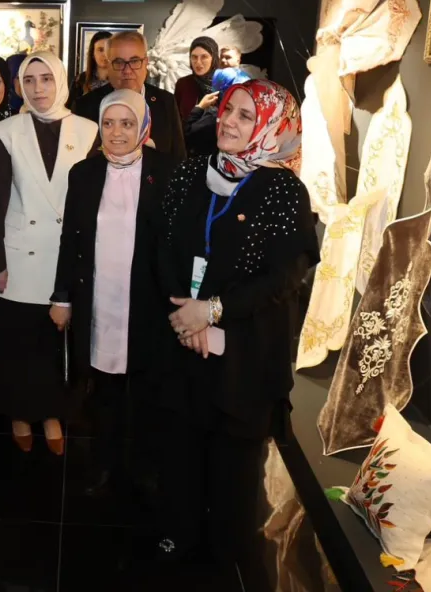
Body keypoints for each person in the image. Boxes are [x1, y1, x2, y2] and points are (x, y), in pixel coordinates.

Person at [156, 79, 316, 590]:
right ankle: (178, 538)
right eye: (228, 110)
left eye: (246, 116)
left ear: (271, 127)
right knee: (180, 454)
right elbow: (163, 247)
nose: (228, 121)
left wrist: (213, 311)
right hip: (183, 340)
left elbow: (284, 278)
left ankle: (226, 559)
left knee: (233, 472)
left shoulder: (285, 192)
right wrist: (187, 315)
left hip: (244, 356)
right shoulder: (189, 173)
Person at [50, 89, 176, 498]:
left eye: (126, 123)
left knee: (146, 388)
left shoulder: (168, 172)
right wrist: (62, 297)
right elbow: (70, 239)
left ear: (143, 126)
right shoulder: (83, 174)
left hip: (148, 301)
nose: (116, 132)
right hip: (100, 298)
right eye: (108, 123)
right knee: (103, 388)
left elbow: (177, 243)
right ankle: (102, 462)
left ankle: (144, 465)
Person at [0, 50, 98, 455]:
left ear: (60, 81)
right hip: (18, 254)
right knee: (17, 343)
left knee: (54, 346)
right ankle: (19, 413)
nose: (38, 88)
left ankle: (51, 414)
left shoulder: (88, 130)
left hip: (65, 254)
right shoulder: (7, 131)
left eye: (46, 78)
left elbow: (90, 201)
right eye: (29, 80)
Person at [74, 31, 186, 163]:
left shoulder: (165, 101)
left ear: (146, 63)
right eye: (119, 62)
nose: (127, 70)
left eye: (134, 61)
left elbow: (179, 158)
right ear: (108, 65)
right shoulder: (85, 106)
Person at [184, 67, 252, 157]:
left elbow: (187, 134)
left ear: (218, 93)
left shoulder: (214, 117)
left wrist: (200, 107)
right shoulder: (250, 116)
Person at [173, 37, 218, 120]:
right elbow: (176, 120)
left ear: (213, 58)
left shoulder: (223, 84)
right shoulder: (183, 84)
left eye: (204, 57)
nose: (198, 62)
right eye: (194, 57)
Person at [68, 30, 112, 108]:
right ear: (92, 53)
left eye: (108, 50)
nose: (105, 54)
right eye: (100, 50)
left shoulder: (120, 81)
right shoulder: (80, 80)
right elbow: (70, 109)